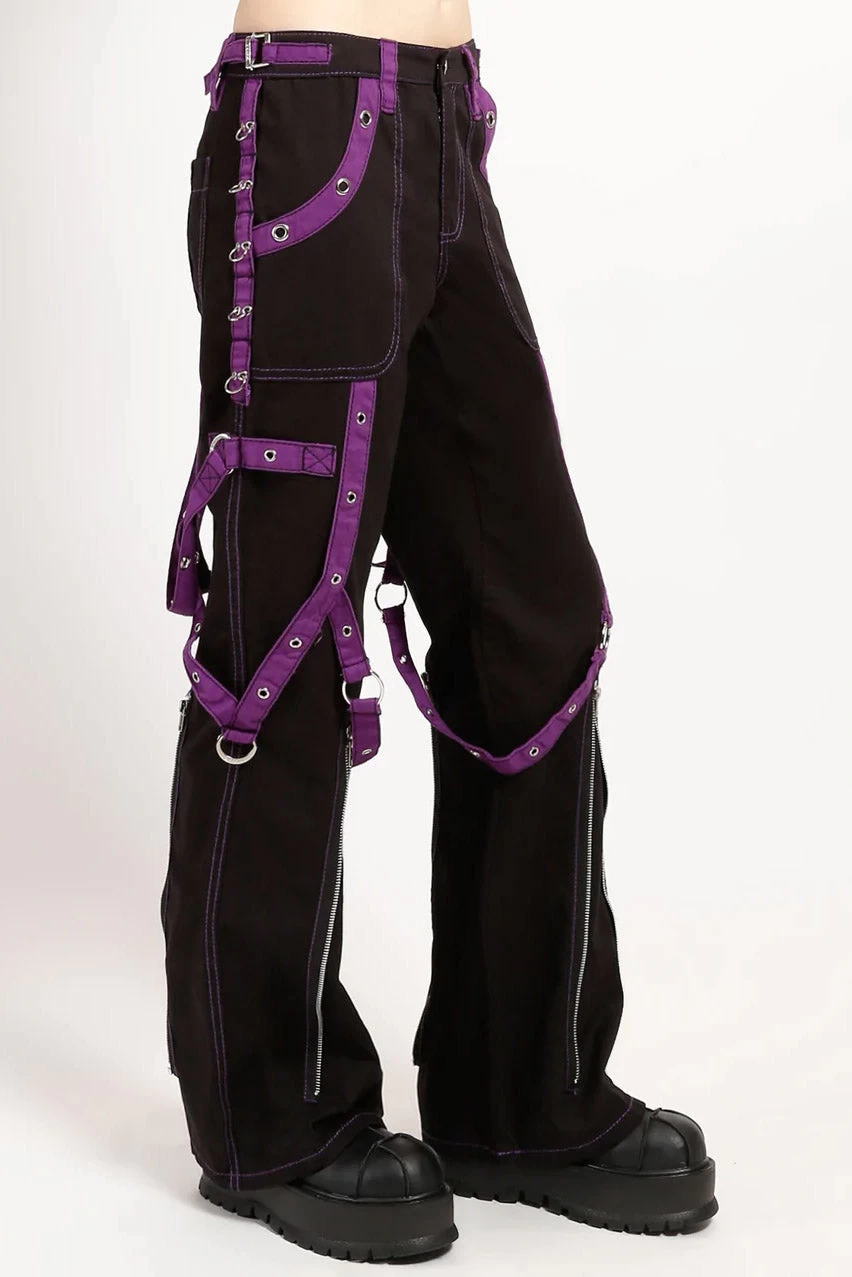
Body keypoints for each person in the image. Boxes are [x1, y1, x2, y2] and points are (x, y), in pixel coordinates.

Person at [161, 0, 717, 1260]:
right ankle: (266, 1114)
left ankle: (513, 1096)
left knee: (535, 613)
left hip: (444, 119)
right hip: (311, 118)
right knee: (288, 626)